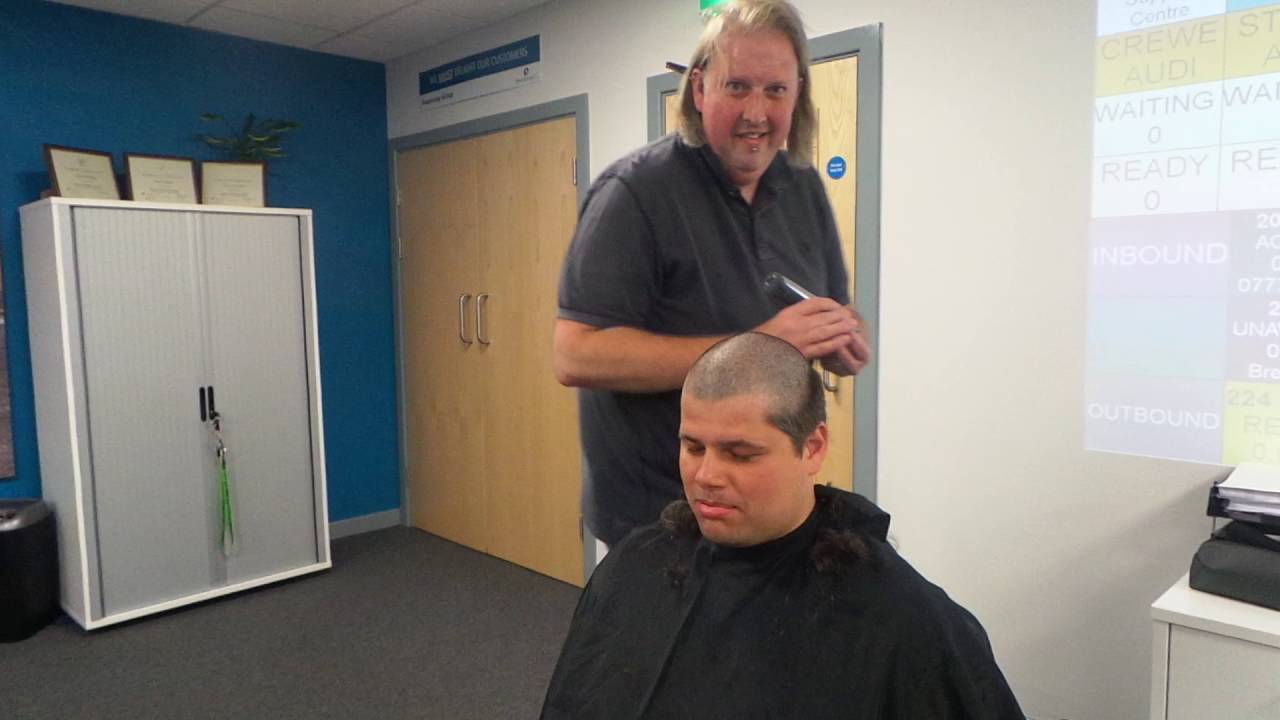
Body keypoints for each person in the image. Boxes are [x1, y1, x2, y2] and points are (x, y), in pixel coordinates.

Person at [541, 333, 1025, 719]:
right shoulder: (635, 563)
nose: (706, 476)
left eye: (740, 453)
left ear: (812, 448)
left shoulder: (901, 617)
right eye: (693, 447)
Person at [554, 0, 872, 547]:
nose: (756, 112)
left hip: (772, 508)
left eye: (776, 90)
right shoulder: (635, 193)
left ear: (798, 95)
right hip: (661, 515)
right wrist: (760, 342)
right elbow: (576, 354)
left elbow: (834, 311)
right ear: (699, 90)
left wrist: (840, 338)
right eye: (737, 87)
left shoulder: (803, 187)